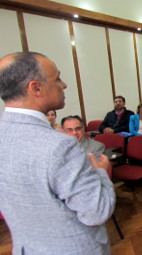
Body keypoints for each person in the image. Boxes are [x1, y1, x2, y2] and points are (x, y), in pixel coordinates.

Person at [0, 52, 115, 254]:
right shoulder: (59, 145)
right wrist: (101, 172)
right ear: (36, 88)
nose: (64, 85)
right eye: (58, 78)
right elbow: (96, 212)